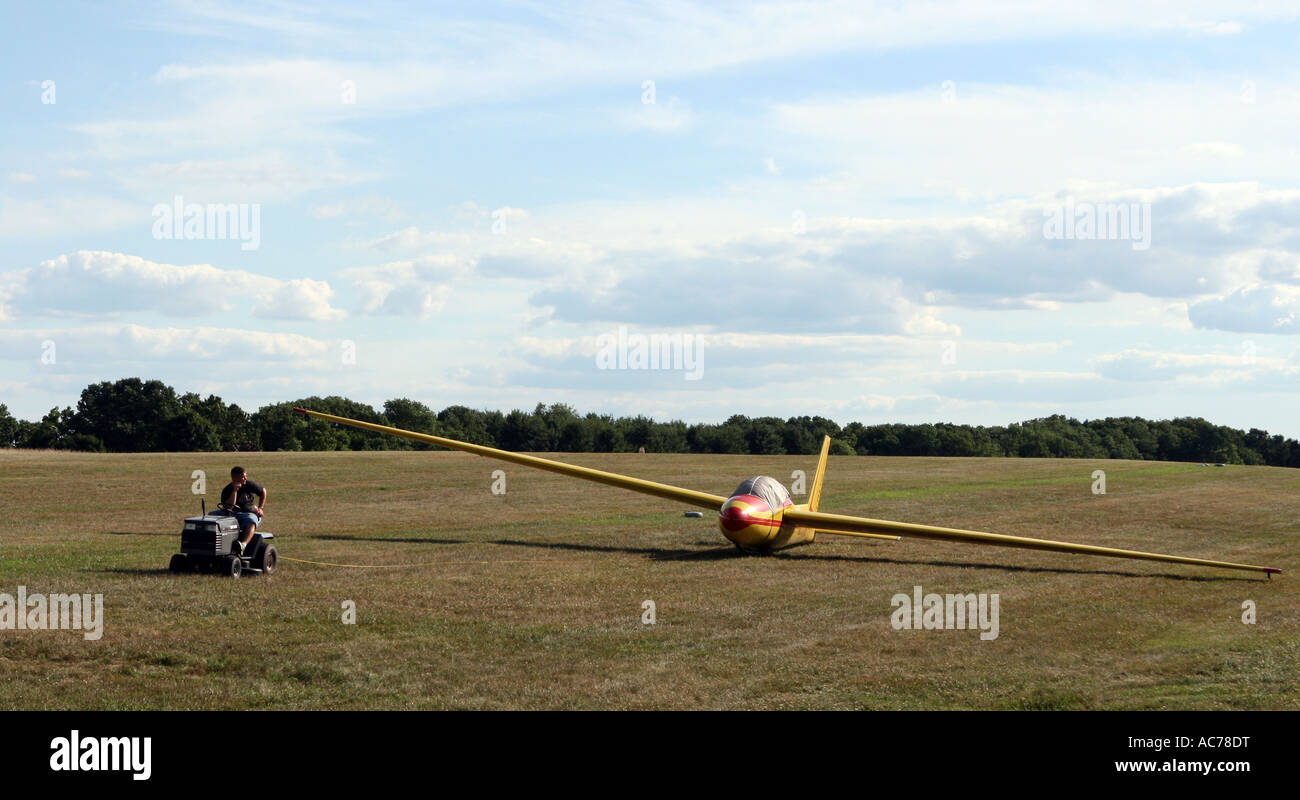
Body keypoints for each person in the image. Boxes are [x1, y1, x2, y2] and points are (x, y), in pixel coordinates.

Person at [218, 466, 267, 555]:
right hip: (231, 514)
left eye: (246, 476)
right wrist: (234, 491)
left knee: (251, 521)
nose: (245, 478)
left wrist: (260, 508)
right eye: (243, 476)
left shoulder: (248, 485)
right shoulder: (227, 490)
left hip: (248, 514)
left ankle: (243, 545)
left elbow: (263, 491)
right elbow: (228, 507)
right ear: (235, 478)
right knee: (211, 516)